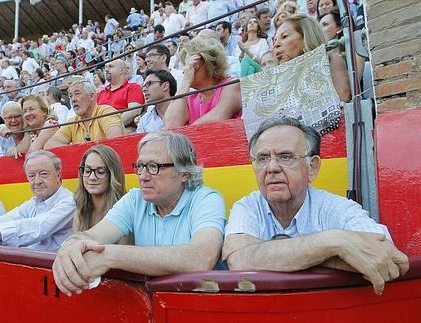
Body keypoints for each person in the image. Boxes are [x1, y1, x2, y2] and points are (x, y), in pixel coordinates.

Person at [222, 117, 409, 295]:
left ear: (312, 167)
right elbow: (239, 260)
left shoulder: (338, 208)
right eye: (262, 158)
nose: (271, 168)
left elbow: (386, 257)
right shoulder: (247, 207)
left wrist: (275, 255)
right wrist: (332, 243)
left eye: (285, 157)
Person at [52, 131, 226, 296]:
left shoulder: (206, 199)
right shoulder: (136, 199)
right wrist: (71, 246)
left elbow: (201, 258)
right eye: (140, 166)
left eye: (153, 166)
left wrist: (110, 256)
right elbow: (93, 235)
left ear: (184, 173)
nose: (143, 176)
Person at [165, 37, 241, 128]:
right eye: (186, 65)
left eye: (190, 64)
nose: (185, 70)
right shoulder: (191, 97)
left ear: (205, 62)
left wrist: (185, 133)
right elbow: (171, 125)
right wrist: (185, 82)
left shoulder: (232, 84)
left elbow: (219, 116)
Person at [273, 14, 350, 102]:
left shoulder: (331, 60)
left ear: (306, 37)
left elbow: (344, 96)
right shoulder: (278, 79)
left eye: (285, 36)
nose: (276, 45)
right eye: (275, 40)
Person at [74, 145, 132, 245]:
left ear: (114, 174)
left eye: (100, 172)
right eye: (87, 171)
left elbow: (121, 258)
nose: (92, 177)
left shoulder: (125, 212)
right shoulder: (81, 210)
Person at [44, 80, 124, 148]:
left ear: (92, 96)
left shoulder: (106, 112)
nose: (73, 100)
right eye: (71, 96)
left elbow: (115, 140)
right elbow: (50, 145)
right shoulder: (73, 121)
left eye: (77, 94)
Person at [97, 59, 145, 130]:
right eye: (105, 67)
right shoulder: (101, 93)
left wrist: (111, 127)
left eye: (110, 66)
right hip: (102, 131)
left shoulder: (133, 87)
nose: (106, 70)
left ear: (122, 70)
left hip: (124, 129)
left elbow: (134, 111)